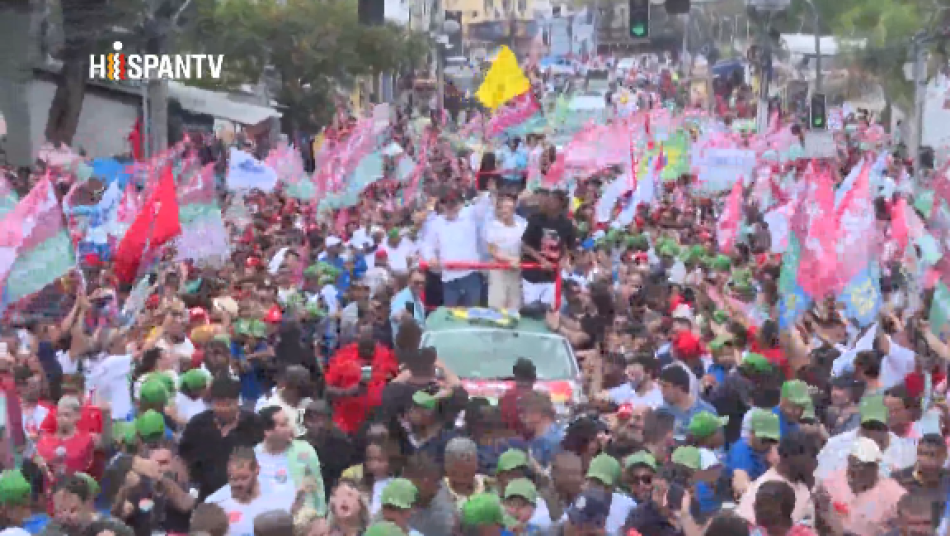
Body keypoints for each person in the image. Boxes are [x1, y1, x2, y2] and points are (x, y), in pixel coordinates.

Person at [180, 377, 264, 500]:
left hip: (244, 493)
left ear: (237, 402)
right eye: (219, 404)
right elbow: (183, 456)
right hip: (206, 494)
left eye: (229, 404)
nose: (224, 409)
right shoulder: (197, 424)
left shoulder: (253, 423)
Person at [818, 437, 906, 536]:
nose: (858, 469)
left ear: (876, 466)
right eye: (854, 463)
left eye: (865, 465)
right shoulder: (830, 483)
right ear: (849, 460)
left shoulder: (893, 492)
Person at [204, 448, 298, 536]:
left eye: (244, 478)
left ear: (257, 469)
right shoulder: (216, 502)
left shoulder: (282, 494)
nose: (238, 484)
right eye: (232, 478)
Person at [254, 406, 326, 516]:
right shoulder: (254, 456)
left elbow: (318, 487)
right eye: (283, 425)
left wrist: (321, 516)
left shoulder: (304, 450)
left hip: (302, 520)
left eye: (288, 422)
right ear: (267, 431)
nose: (290, 428)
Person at [521, 188, 575, 306]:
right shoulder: (535, 219)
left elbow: (569, 247)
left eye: (553, 199)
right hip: (532, 274)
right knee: (531, 309)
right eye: (549, 198)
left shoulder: (567, 224)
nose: (549, 201)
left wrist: (565, 260)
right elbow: (525, 245)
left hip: (552, 276)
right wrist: (542, 260)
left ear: (561, 204)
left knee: (549, 309)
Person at [484, 192, 527, 310]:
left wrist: (518, 259)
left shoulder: (522, 225)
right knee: (497, 304)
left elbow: (526, 247)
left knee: (514, 304)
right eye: (502, 207)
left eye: (508, 208)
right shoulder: (492, 226)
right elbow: (492, 249)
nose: (504, 211)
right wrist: (510, 260)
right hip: (498, 268)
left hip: (516, 268)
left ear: (514, 208)